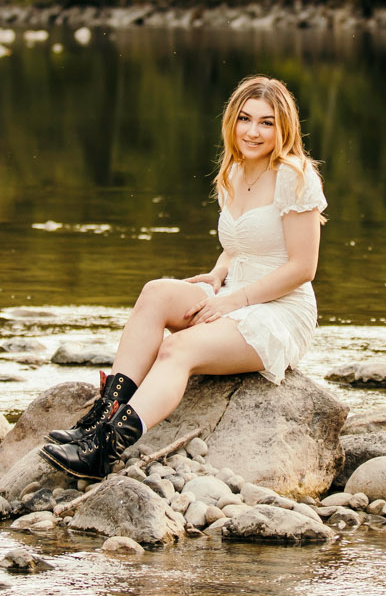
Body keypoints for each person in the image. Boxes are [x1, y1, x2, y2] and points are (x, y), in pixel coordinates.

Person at [42, 74, 328, 481]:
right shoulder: (234, 172)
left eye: (266, 122)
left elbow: (303, 268)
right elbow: (241, 241)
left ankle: (105, 450)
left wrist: (233, 301)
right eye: (245, 119)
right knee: (156, 292)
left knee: (177, 350)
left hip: (279, 312)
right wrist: (216, 275)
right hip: (233, 293)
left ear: (284, 128)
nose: (253, 131)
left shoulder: (296, 177)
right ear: (231, 121)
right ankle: (98, 420)